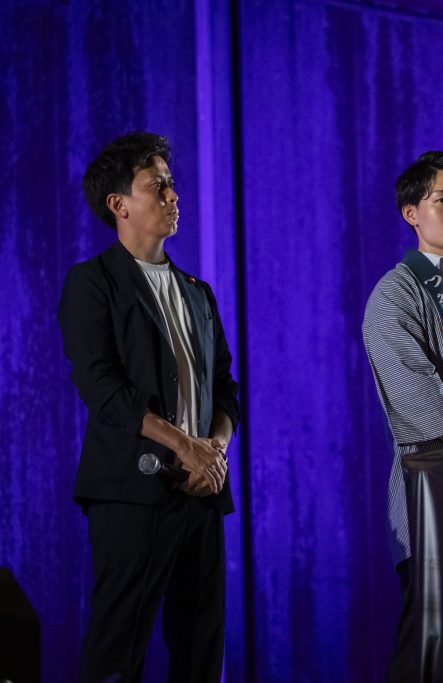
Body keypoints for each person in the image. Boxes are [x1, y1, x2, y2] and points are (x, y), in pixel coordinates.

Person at [58, 132, 239, 682]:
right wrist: (184, 446)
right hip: (132, 492)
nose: (173, 195)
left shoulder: (198, 292)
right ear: (119, 204)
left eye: (171, 183)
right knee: (118, 653)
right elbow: (102, 388)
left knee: (202, 654)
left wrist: (213, 452)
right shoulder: (92, 282)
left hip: (202, 491)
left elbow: (225, 389)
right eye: (157, 185)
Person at [362, 151, 443, 681]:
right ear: (411, 213)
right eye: (442, 200)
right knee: (432, 644)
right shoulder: (394, 293)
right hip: (435, 487)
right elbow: (414, 388)